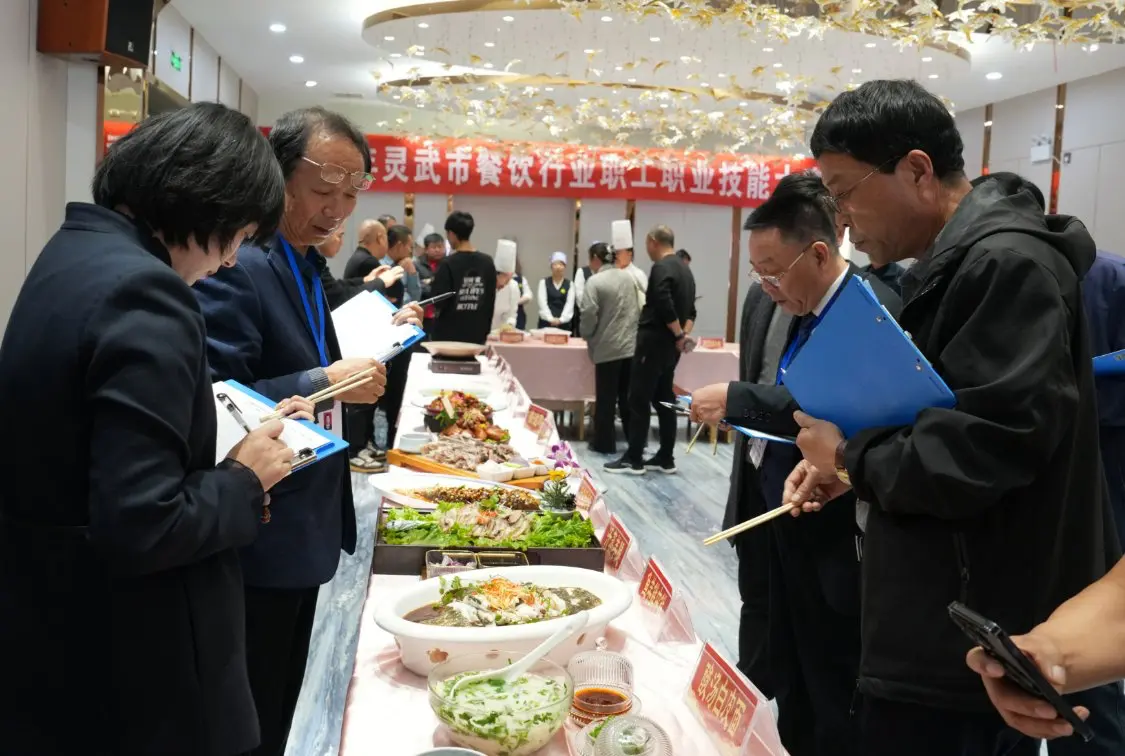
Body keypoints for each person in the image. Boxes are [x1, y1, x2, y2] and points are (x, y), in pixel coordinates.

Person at [781, 79, 1112, 756]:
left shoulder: (1005, 264)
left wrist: (848, 456)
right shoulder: (955, 264)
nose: (842, 221)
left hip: (966, 636)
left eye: (844, 193)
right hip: (939, 620)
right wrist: (852, 470)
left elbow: (982, 449)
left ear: (916, 170)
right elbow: (936, 417)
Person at [0, 103, 315, 755]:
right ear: (208, 205)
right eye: (238, 236)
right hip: (132, 661)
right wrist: (244, 478)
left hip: (48, 626)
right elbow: (144, 523)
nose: (230, 262)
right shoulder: (148, 292)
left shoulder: (73, 252)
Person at [194, 106, 398, 756]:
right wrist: (321, 381)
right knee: (249, 714)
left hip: (302, 523)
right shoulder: (243, 263)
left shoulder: (302, 261)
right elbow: (214, 395)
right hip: (261, 529)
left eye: (351, 194)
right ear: (278, 178)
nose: (337, 210)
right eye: (323, 190)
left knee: (278, 704)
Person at [689, 173, 901, 756]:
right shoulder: (799, 304)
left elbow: (839, 411)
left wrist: (739, 400)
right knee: (788, 654)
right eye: (757, 273)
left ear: (820, 252)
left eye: (773, 272)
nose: (766, 287)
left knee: (831, 672)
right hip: (786, 498)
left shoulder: (869, 309)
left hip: (841, 527)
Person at [963, 173, 1125, 756]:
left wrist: (1079, 377)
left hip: (1106, 464)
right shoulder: (979, 279)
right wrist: (1049, 653)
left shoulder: (1109, 278)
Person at [605, 225, 696, 475]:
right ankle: (666, 457)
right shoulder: (685, 270)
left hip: (653, 343)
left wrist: (678, 334)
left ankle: (634, 458)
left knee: (638, 398)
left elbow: (663, 303)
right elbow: (691, 311)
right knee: (664, 398)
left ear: (653, 241)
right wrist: (681, 336)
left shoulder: (661, 267)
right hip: (671, 349)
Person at [579, 242, 639, 454]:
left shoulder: (595, 281)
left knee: (606, 399)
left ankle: (604, 443)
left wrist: (586, 334)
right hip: (630, 345)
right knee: (627, 398)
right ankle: (635, 442)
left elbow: (588, 313)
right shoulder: (628, 278)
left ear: (596, 259)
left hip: (607, 347)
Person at [430, 210, 497, 344]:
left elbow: (439, 301)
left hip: (448, 335)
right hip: (477, 334)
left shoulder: (447, 264)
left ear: (451, 234)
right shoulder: (487, 262)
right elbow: (490, 299)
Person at [315, 227, 398, 309]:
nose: (342, 243)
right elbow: (339, 298)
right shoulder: (368, 261)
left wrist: (366, 279)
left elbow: (333, 287)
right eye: (339, 236)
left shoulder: (359, 255)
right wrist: (381, 282)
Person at [610, 219, 649, 305]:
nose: (616, 256)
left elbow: (643, 301)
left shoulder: (638, 275)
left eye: (619, 252)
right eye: (615, 253)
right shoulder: (609, 272)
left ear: (629, 253)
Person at [415, 230, 446, 331]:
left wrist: (430, 282)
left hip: (442, 313)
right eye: (434, 247)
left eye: (440, 246)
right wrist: (436, 288)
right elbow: (418, 286)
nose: (437, 250)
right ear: (426, 249)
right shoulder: (417, 265)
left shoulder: (448, 264)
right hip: (424, 313)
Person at [537, 251, 576, 329]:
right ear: (551, 266)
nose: (558, 267)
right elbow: (542, 303)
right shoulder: (543, 282)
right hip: (546, 323)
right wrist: (550, 319)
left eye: (561, 264)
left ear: (565, 267)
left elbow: (569, 304)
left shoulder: (570, 284)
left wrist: (561, 320)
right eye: (555, 264)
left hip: (564, 324)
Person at [572, 243, 602, 336]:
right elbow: (579, 295)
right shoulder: (582, 272)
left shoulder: (606, 273)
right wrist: (589, 309)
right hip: (585, 315)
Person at [492, 239, 521, 331]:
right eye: (506, 278)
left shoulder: (513, 286)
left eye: (510, 278)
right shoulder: (485, 283)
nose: (507, 283)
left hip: (500, 333)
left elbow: (512, 315)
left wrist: (509, 325)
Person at [514, 259, 534, 330]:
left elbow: (528, 295)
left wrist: (514, 302)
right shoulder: (496, 278)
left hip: (519, 315)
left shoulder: (521, 279)